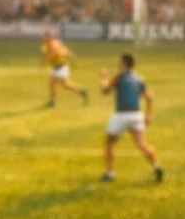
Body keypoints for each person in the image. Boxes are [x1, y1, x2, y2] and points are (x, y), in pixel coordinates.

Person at [99, 52, 165, 182]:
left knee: (109, 142)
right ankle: (157, 166)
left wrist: (103, 77)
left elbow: (105, 90)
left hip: (122, 114)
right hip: (136, 114)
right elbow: (149, 96)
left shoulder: (119, 77)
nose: (117, 62)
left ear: (123, 63)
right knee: (142, 143)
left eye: (119, 60)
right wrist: (148, 114)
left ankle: (109, 173)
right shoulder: (139, 78)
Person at [41, 30, 89, 107]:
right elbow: (46, 56)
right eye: (43, 37)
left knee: (55, 84)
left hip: (61, 67)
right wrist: (43, 62)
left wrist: (73, 59)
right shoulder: (46, 46)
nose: (43, 38)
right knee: (64, 85)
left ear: (49, 37)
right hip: (55, 67)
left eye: (45, 37)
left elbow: (64, 51)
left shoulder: (55, 44)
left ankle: (53, 102)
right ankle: (82, 92)